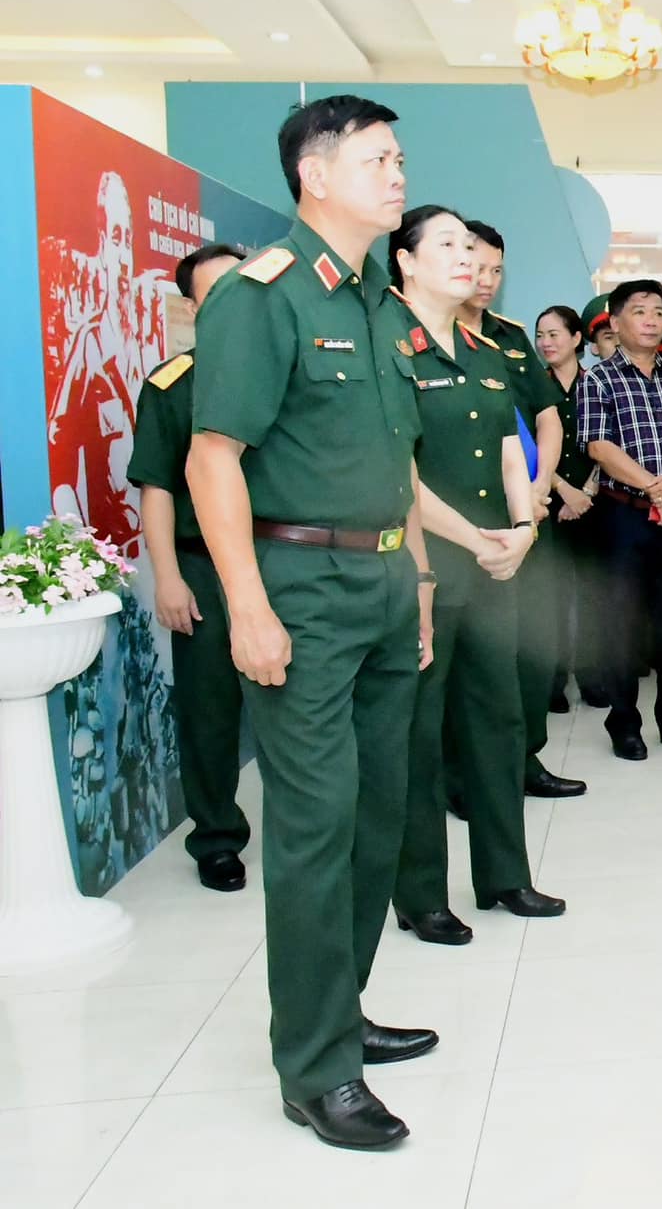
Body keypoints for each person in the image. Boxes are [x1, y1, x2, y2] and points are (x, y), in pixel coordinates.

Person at [187, 94, 436, 1148]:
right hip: (298, 592)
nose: (397, 176)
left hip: (381, 586)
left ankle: (342, 1008)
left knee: (377, 817)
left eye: (398, 158)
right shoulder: (261, 296)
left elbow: (391, 462)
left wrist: (417, 583)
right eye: (379, 159)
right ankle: (315, 1067)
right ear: (315, 174)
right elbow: (213, 459)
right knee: (313, 824)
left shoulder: (381, 302)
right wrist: (245, 603)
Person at [387, 206, 564, 946]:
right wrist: (480, 537)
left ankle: (505, 876)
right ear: (406, 260)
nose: (468, 259)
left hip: (498, 566)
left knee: (499, 722)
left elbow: (505, 447)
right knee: (420, 737)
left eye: (473, 247)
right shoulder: (384, 345)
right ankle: (421, 893)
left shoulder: (485, 347)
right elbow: (396, 470)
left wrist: (522, 529)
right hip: (424, 571)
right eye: (449, 246)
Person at [128, 241, 249, 892]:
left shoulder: (290, 371)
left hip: (288, 557)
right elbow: (158, 488)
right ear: (193, 306)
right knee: (210, 707)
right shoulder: (175, 386)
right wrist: (169, 576)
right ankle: (218, 837)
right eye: (218, 292)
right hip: (205, 567)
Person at [459, 221, 579, 799]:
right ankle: (461, 776)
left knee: (535, 644)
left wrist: (535, 489)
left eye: (497, 270)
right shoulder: (416, 332)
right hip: (462, 523)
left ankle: (526, 760)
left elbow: (548, 416)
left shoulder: (508, 337)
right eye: (476, 267)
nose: (486, 280)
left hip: (528, 515)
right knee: (473, 652)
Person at [577, 279, 662, 759]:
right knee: (622, 624)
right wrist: (656, 487)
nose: (653, 320)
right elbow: (598, 445)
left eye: (659, 311)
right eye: (641, 312)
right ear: (616, 323)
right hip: (625, 518)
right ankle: (625, 724)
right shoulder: (598, 379)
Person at [534, 304, 606, 715]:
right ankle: (553, 682)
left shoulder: (596, 384)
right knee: (552, 595)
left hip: (594, 502)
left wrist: (586, 493)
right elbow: (530, 447)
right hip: (547, 503)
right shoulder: (533, 387)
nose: (546, 343)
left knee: (595, 594)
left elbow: (609, 440)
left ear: (577, 339)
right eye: (541, 335)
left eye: (555, 334)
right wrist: (564, 492)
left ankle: (595, 678)